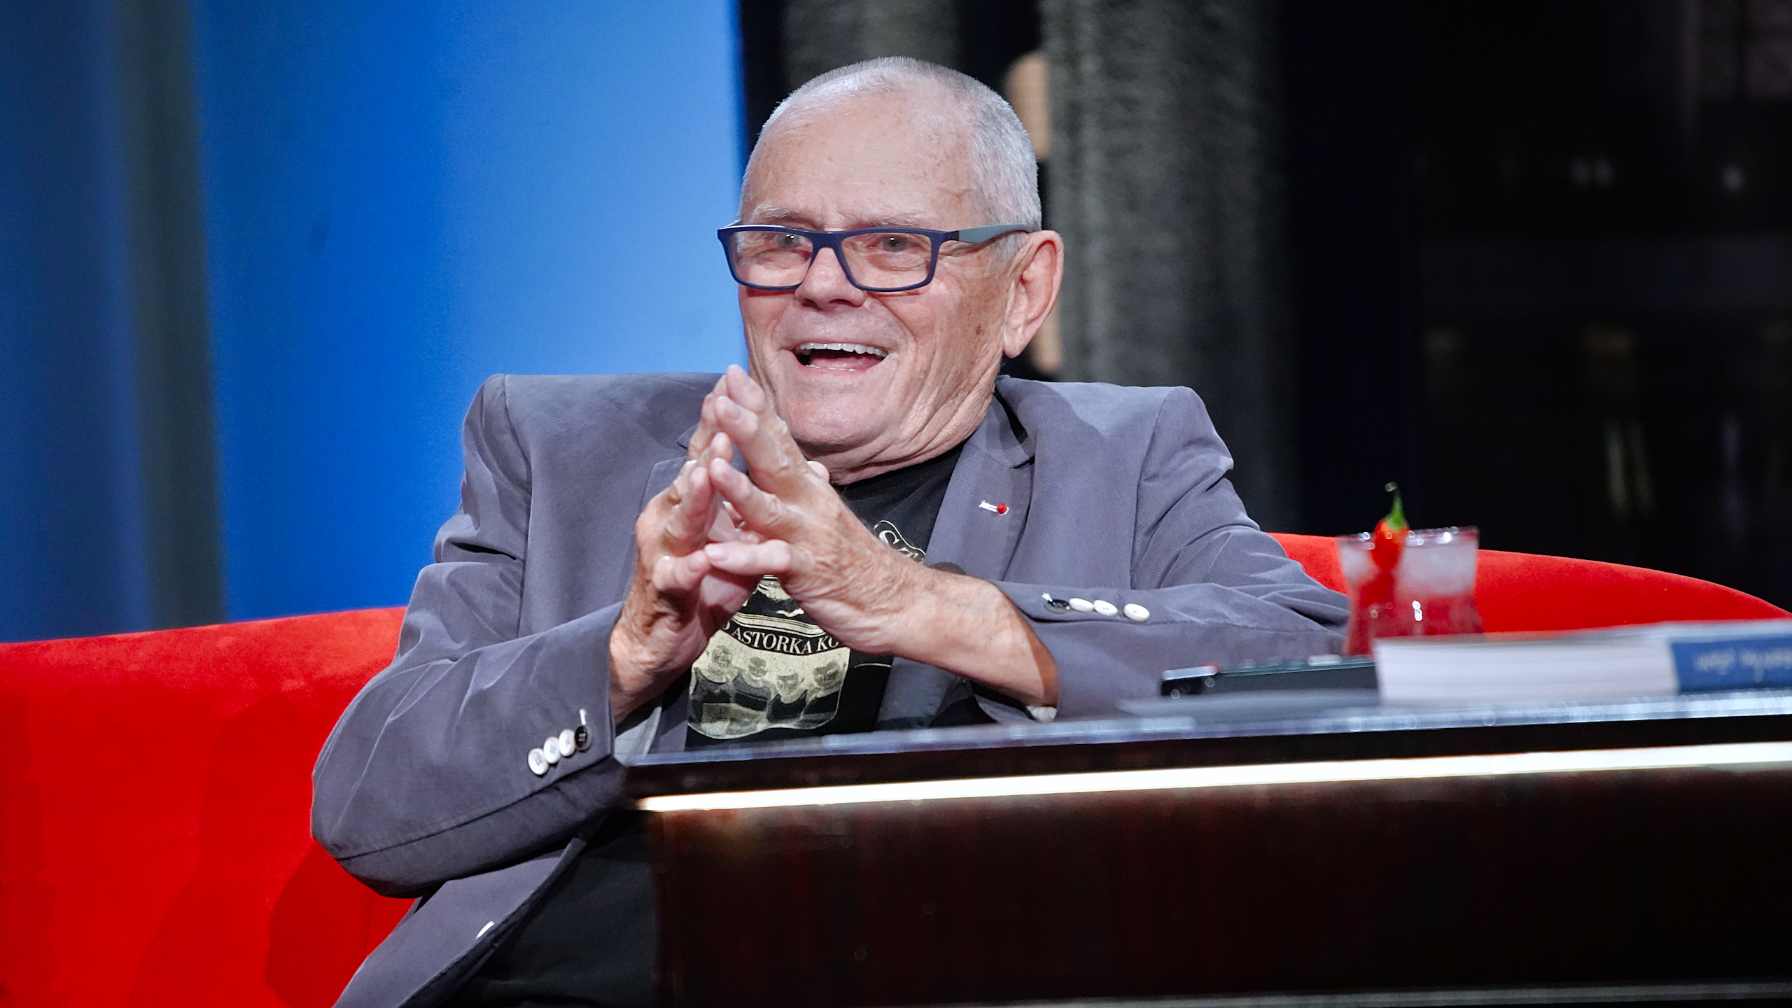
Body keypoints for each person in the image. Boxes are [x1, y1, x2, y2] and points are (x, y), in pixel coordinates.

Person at [313, 56, 1345, 1007]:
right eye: (781, 242)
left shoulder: (1120, 455)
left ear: (1022, 289)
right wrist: (625, 654)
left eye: (893, 246)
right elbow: (370, 810)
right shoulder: (559, 447)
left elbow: (1308, 663)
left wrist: (917, 605)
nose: (820, 284)